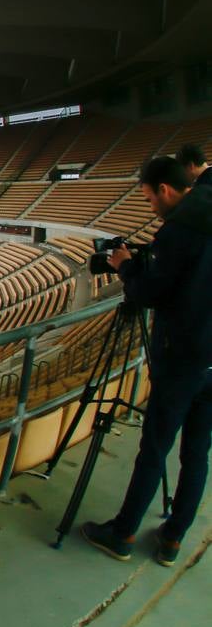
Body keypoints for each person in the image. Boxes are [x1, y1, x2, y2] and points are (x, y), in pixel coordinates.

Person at [83, 156, 212, 565]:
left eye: (149, 198)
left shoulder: (181, 228)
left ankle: (122, 534)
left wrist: (125, 268)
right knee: (198, 452)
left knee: (155, 447)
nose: (151, 207)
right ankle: (173, 539)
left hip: (183, 357)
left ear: (166, 189)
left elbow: (150, 294)